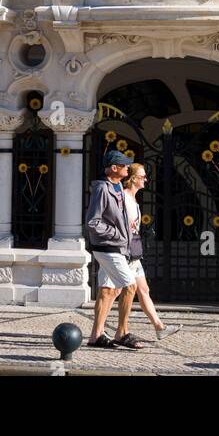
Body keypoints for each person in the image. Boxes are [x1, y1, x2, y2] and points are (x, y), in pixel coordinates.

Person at [85, 149, 144, 349]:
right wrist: (117, 234)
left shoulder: (118, 186)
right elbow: (93, 222)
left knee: (109, 290)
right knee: (130, 286)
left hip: (119, 248)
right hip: (108, 247)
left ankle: (96, 336)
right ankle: (122, 332)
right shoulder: (102, 188)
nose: (128, 167)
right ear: (114, 168)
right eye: (124, 165)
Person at [122, 164, 181, 342]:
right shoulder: (123, 197)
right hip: (124, 252)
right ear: (132, 178)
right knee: (112, 293)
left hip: (134, 253)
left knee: (143, 289)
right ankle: (109, 330)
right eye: (142, 176)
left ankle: (159, 327)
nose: (145, 180)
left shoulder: (133, 199)